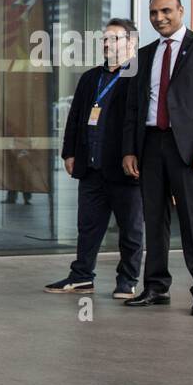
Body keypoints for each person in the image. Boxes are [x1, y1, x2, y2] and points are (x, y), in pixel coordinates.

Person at [122, 0, 193, 317]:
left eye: (166, 11)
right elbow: (133, 108)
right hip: (151, 145)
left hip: (190, 150)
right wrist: (129, 150)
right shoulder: (145, 54)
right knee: (153, 220)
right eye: (153, 13)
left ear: (181, 10)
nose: (159, 18)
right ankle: (155, 286)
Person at [45, 18, 144, 298]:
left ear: (131, 43)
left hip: (124, 169)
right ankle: (81, 277)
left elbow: (139, 123)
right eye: (104, 39)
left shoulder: (138, 76)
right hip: (91, 167)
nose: (107, 43)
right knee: (88, 227)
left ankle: (127, 281)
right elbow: (75, 116)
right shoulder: (91, 77)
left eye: (114, 38)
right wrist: (69, 152)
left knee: (130, 230)